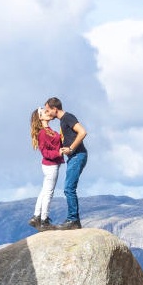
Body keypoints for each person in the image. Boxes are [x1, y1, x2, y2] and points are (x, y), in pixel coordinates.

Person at [44, 97, 87, 229]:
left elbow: (83, 132)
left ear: (54, 109)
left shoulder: (68, 117)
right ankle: (74, 220)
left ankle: (73, 220)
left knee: (69, 188)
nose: (47, 113)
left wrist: (71, 148)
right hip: (73, 157)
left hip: (77, 155)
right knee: (69, 188)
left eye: (47, 110)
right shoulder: (63, 121)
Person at [29, 107, 63, 230]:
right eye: (44, 112)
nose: (47, 113)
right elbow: (45, 153)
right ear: (40, 117)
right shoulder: (43, 133)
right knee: (49, 192)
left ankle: (36, 216)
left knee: (44, 191)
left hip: (52, 165)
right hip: (51, 165)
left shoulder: (48, 130)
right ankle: (44, 220)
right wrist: (58, 153)